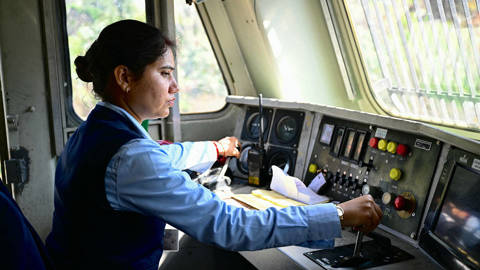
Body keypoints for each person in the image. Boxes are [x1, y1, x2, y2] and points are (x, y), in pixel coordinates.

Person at [45, 20, 382, 270]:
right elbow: (230, 226)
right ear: (125, 77)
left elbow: (168, 155)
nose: (175, 86)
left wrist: (216, 148)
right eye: (164, 73)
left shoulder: (91, 134)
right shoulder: (131, 157)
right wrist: (338, 214)